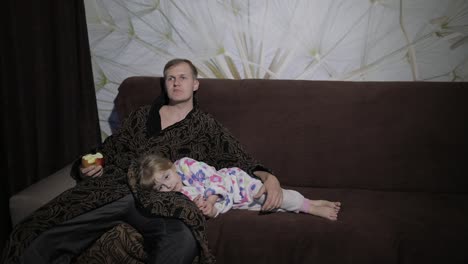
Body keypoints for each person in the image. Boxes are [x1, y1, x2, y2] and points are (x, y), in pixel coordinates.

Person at [4, 58, 283, 264]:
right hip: (117, 187)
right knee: (47, 230)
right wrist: (89, 164)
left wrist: (269, 179)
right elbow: (107, 148)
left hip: (164, 197)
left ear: (195, 84)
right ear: (164, 83)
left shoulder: (206, 126)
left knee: (183, 240)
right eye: (170, 77)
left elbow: (238, 156)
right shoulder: (140, 116)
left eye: (183, 77)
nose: (176, 82)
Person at [138, 155, 341, 220]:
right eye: (161, 187)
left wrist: (209, 200)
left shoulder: (186, 166)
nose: (169, 184)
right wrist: (210, 210)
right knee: (271, 208)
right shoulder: (179, 194)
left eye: (167, 176)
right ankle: (311, 201)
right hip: (233, 202)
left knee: (272, 198)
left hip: (237, 184)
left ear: (171, 166)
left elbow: (215, 179)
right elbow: (212, 211)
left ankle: (312, 208)